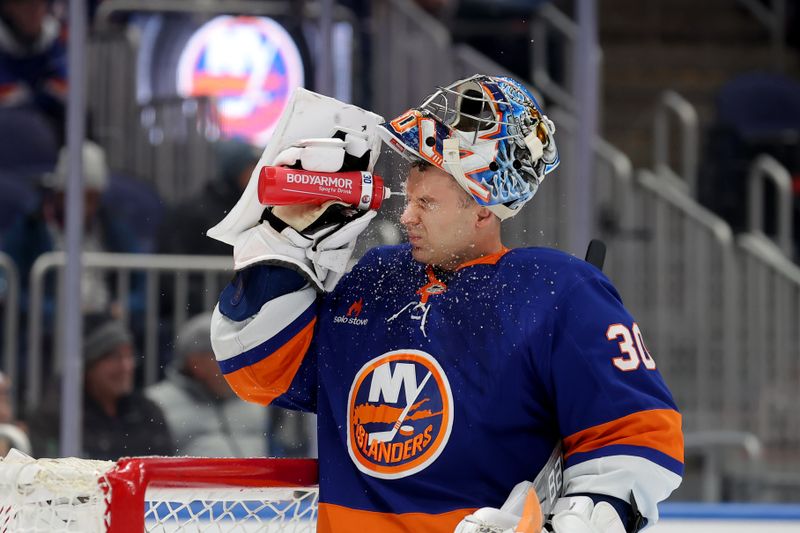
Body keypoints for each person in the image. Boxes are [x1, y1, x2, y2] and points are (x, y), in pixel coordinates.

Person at [209, 75, 683, 533]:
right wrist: (282, 245)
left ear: (483, 207)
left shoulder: (558, 290)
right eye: (410, 198)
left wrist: (578, 520)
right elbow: (258, 373)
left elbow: (638, 437)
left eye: (428, 204)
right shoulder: (377, 278)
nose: (406, 216)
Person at [3, 140, 143, 314]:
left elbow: (144, 282)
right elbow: (6, 286)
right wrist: (53, 311)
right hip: (48, 327)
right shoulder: (30, 226)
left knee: (117, 339)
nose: (86, 207)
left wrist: (122, 307)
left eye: (92, 198)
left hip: (103, 320)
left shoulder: (111, 225)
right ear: (60, 193)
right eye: (78, 196)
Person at [28, 313, 173, 459]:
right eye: (115, 358)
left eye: (129, 356)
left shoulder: (147, 412)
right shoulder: (58, 415)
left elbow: (163, 467)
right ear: (89, 365)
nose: (126, 366)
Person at [145, 312, 273, 457]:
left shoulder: (256, 398)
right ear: (195, 362)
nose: (237, 363)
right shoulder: (156, 404)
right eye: (225, 355)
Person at [0, 0, 67, 135]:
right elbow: (7, 97)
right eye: (26, 5)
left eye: (39, 4)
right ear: (8, 8)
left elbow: (64, 89)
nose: (34, 12)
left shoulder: (53, 38)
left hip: (49, 126)